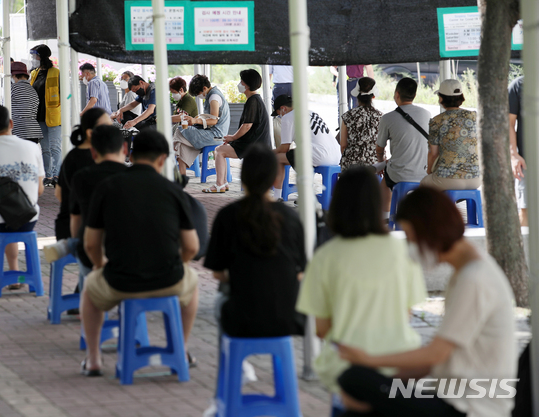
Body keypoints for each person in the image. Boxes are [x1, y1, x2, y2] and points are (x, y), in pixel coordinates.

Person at [336, 187, 516, 417]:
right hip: (449, 397)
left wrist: (368, 360)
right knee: (359, 393)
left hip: (470, 408)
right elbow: (434, 360)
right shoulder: (465, 273)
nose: (412, 249)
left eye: (413, 239)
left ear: (431, 231)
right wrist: (383, 386)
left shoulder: (475, 279)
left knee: (353, 378)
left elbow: (435, 354)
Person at [295, 166, 427, 396]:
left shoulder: (325, 256)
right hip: (399, 362)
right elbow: (406, 314)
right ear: (377, 204)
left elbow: (321, 329)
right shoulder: (402, 250)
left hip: (344, 365)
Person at [80, 130, 199, 376]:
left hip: (120, 280)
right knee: (193, 284)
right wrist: (180, 263)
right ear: (163, 159)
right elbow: (191, 247)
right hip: (168, 279)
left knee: (90, 289)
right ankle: (182, 350)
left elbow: (91, 244)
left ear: (130, 154)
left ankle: (93, 358)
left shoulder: (107, 186)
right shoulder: (174, 191)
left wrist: (100, 265)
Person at [206, 143, 306, 336]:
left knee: (220, 299)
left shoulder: (227, 216)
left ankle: (236, 365)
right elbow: (300, 272)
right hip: (287, 319)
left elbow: (218, 274)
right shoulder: (292, 218)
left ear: (242, 177)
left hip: (240, 319)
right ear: (276, 178)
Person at [43, 125, 128, 284]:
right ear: (124, 148)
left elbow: (76, 222)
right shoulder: (133, 176)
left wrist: (98, 263)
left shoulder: (82, 177)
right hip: (129, 258)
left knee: (90, 293)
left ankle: (85, 287)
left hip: (94, 252)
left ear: (93, 152)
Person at [0, 105, 44, 277]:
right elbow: (40, 189)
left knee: (1, 213)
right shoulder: (32, 147)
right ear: (11, 123)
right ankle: (14, 272)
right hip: (28, 218)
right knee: (12, 214)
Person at [205, 69, 270, 193]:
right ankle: (223, 183)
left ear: (247, 85)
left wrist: (233, 138)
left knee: (219, 150)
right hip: (255, 143)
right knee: (221, 149)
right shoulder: (255, 100)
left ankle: (220, 184)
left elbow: (247, 126)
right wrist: (233, 139)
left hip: (254, 146)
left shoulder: (253, 101)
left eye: (241, 81)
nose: (239, 84)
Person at [53, 108, 110, 245]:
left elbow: (58, 194)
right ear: (90, 133)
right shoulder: (98, 158)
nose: (111, 132)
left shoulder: (72, 156)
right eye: (106, 127)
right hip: (81, 230)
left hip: (65, 226)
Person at [377, 77, 431, 219]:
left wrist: (381, 160)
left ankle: (385, 216)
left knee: (385, 182)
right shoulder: (427, 114)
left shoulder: (388, 118)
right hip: (425, 173)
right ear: (414, 95)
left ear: (397, 94)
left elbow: (379, 148)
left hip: (400, 174)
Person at [270, 95, 341, 200]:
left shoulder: (288, 117)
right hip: (336, 155)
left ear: (283, 108)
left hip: (319, 155)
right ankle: (305, 195)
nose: (279, 116)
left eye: (278, 113)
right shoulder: (311, 112)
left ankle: (277, 196)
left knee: (277, 158)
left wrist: (268, 152)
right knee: (294, 154)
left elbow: (284, 148)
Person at [421, 79, 479, 190]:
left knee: (424, 184)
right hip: (476, 178)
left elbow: (433, 154)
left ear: (441, 98)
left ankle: (442, 207)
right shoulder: (474, 116)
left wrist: (429, 171)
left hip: (448, 178)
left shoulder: (436, 121)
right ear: (461, 97)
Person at [173, 74, 230, 176]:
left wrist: (195, 121)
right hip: (210, 132)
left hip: (217, 136)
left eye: (198, 93)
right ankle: (182, 177)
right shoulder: (211, 95)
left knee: (179, 130)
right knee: (182, 144)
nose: (198, 96)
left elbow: (213, 121)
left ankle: (171, 149)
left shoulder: (214, 97)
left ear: (204, 88)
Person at [30, 44, 61, 187]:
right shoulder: (34, 73)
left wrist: (64, 108)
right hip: (39, 116)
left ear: (41, 56)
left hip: (54, 116)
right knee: (45, 148)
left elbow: (68, 94)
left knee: (55, 147)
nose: (32, 58)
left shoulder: (56, 72)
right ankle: (48, 175)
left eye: (34, 55)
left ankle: (57, 174)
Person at [340, 77, 383, 171]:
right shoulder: (380, 117)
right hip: (373, 165)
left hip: (350, 165)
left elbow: (343, 145)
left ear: (357, 96)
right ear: (373, 96)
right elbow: (381, 146)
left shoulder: (347, 116)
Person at [509, 76, 527, 226]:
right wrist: (513, 155)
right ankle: (526, 250)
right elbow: (508, 123)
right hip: (527, 161)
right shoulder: (519, 84)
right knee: (526, 210)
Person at [10, 61, 43, 144]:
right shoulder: (33, 90)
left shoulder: (12, 88)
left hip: (18, 131)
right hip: (33, 132)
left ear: (14, 76)